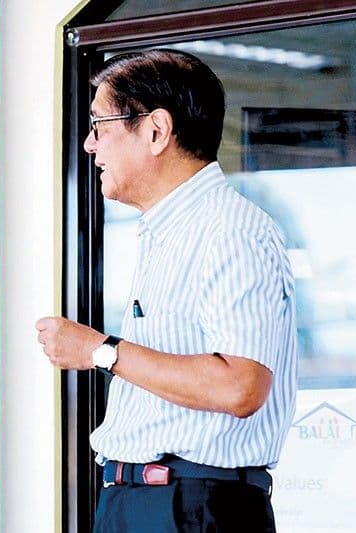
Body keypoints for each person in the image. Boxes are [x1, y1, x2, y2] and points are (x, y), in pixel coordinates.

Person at [36, 49, 297, 532]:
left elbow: (241, 385)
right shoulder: (169, 231)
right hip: (145, 500)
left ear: (156, 131)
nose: (90, 145)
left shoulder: (228, 231)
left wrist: (100, 351)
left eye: (100, 125)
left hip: (190, 506)